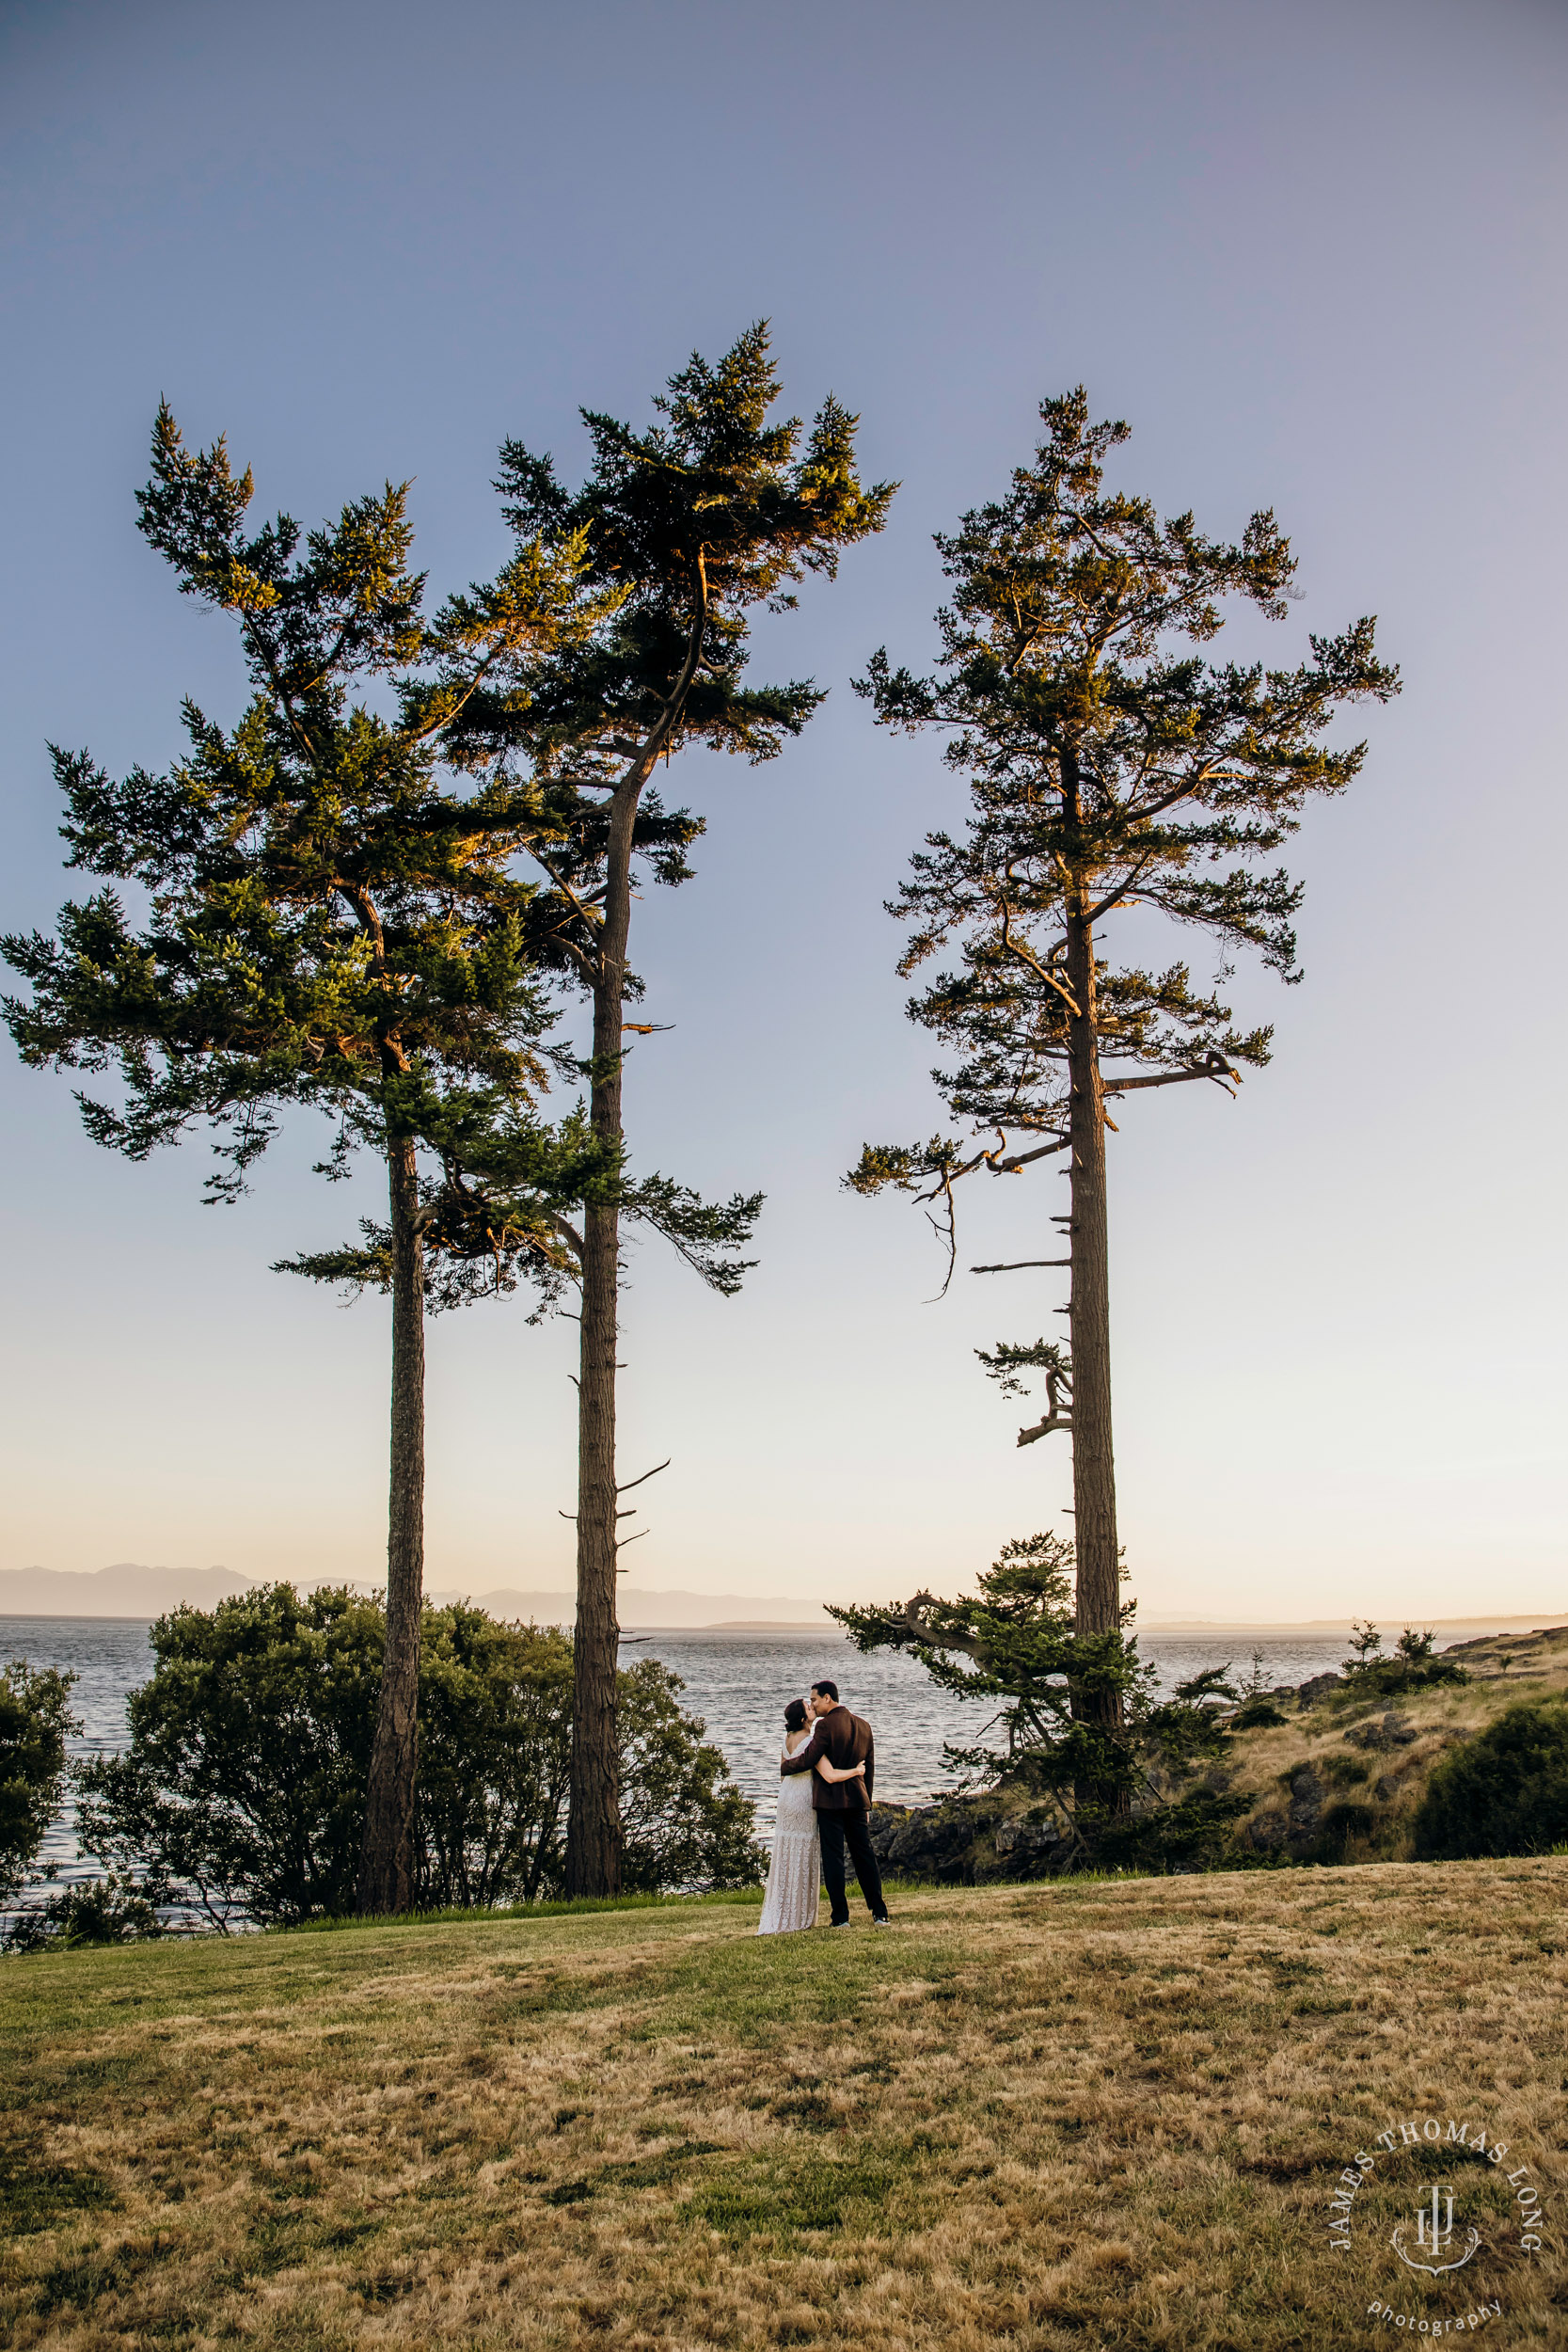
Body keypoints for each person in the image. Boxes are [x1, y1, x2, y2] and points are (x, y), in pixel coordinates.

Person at [778, 1678, 891, 1928]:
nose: (814, 1705)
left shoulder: (825, 1726)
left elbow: (809, 1758)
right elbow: (869, 1769)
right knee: (864, 1856)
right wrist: (868, 1804)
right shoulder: (864, 1726)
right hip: (858, 1800)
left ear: (828, 1698)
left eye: (815, 1700)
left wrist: (785, 1766)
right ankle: (879, 1912)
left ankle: (840, 1917)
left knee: (833, 1859)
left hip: (830, 1802)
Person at [756, 1696, 865, 1935]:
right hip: (804, 1800)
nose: (812, 1707)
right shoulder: (809, 1742)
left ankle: (781, 1911)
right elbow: (830, 1775)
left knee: (787, 1850)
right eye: (808, 1707)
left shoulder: (787, 1740)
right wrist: (856, 1771)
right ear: (804, 1718)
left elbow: (783, 1775)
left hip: (786, 1799)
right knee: (804, 1853)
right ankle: (798, 1917)